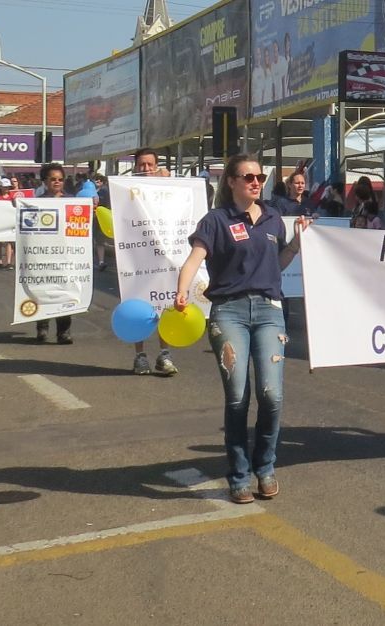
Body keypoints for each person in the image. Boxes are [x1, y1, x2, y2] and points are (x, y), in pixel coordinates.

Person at [175, 154, 308, 503]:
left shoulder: (272, 218)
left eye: (259, 177)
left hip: (269, 310)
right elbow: (194, 260)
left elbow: (277, 264)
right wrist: (181, 291)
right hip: (229, 312)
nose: (255, 182)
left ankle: (265, 467)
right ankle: (238, 475)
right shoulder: (215, 221)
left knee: (271, 395)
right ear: (231, 182)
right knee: (237, 397)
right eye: (248, 177)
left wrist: (296, 243)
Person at [129, 148, 179, 376]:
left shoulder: (167, 187)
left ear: (157, 166)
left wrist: (169, 183)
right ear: (135, 167)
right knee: (138, 309)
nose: (146, 169)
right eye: (142, 164)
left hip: (162, 258)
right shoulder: (125, 189)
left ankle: (164, 355)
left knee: (164, 305)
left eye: (150, 164)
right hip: (136, 259)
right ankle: (140, 356)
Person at [34, 163, 74, 344]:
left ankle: (63, 332)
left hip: (66, 255)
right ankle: (42, 328)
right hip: (43, 254)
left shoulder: (72, 201)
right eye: (53, 179)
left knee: (65, 292)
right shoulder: (37, 202)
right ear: (45, 181)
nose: (57, 182)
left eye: (60, 179)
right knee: (43, 291)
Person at [0, 178, 18, 269]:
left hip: (9, 222)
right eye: (5, 187)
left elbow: (16, 207)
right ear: (0, 187)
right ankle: (0, 262)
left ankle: (8, 262)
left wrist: (15, 201)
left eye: (8, 187)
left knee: (9, 242)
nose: (7, 188)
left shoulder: (12, 197)